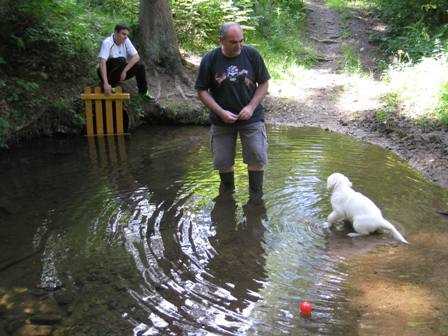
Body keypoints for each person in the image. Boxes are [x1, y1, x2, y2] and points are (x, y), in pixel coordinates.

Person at [194, 22, 270, 194]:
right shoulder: (210, 59)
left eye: (241, 41)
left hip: (252, 117)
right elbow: (201, 90)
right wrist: (220, 112)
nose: (239, 45)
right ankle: (227, 201)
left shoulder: (251, 54)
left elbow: (264, 83)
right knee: (223, 162)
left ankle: (256, 201)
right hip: (221, 120)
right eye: (233, 42)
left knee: (257, 157)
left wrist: (251, 107)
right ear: (221, 40)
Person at [97, 23, 155, 100]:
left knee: (140, 66)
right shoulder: (107, 42)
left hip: (119, 71)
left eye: (126, 35)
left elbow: (136, 57)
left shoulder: (126, 40)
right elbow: (102, 62)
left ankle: (143, 92)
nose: (125, 37)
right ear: (116, 33)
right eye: (123, 34)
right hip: (105, 72)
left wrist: (125, 70)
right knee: (121, 60)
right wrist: (106, 83)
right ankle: (111, 84)